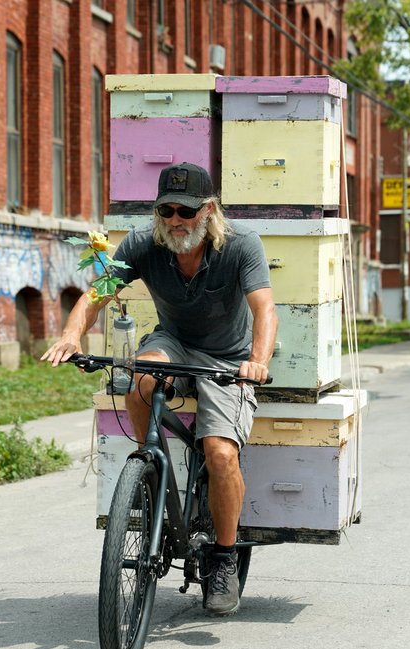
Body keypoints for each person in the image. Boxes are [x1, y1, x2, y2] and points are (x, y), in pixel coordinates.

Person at [41, 162, 277, 615]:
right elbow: (98, 292)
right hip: (173, 344)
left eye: (185, 211)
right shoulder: (143, 243)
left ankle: (224, 560)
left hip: (229, 359)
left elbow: (264, 308)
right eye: (166, 210)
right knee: (139, 376)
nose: (174, 220)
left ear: (208, 210)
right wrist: (72, 335)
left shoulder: (241, 245)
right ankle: (151, 469)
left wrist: (258, 363)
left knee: (221, 454)